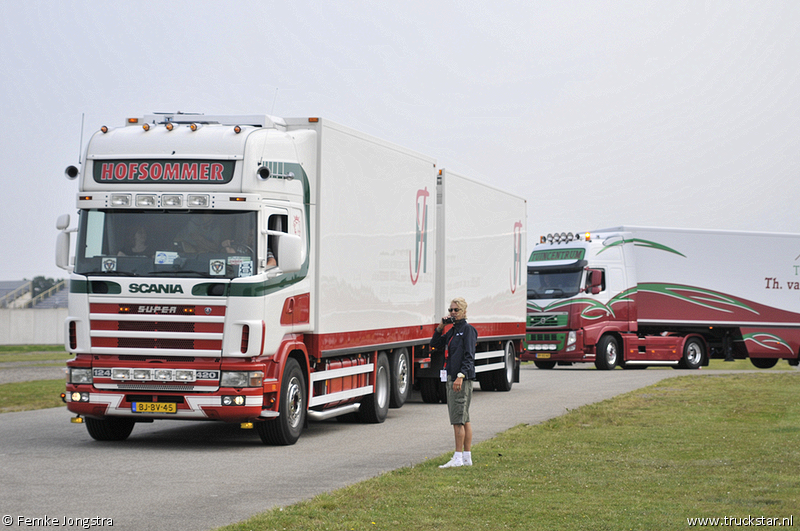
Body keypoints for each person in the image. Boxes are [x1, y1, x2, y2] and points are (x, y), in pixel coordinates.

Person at [430, 297, 477, 468]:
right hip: (452, 376)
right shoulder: (452, 331)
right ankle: (466, 457)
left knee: (458, 419)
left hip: (460, 380)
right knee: (464, 418)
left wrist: (460, 376)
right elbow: (435, 344)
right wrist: (441, 327)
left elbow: (469, 357)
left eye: (456, 310)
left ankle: (458, 457)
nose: (452, 313)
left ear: (464, 312)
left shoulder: (468, 330)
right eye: (450, 310)